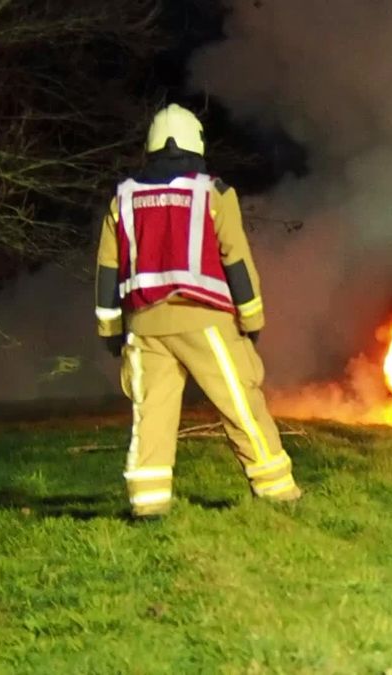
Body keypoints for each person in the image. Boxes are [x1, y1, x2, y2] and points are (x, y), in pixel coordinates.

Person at [94, 103, 301, 518]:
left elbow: (107, 270)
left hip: (145, 326)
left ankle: (148, 507)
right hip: (205, 320)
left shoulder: (124, 197)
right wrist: (252, 319)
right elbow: (236, 261)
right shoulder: (214, 192)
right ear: (196, 143)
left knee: (150, 414)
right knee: (241, 405)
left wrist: (111, 330)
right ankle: (278, 494)